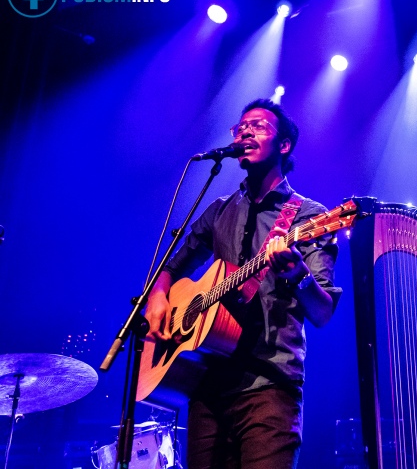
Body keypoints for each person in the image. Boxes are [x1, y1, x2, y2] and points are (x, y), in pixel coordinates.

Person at [145, 98, 342, 469]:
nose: (246, 131)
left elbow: (324, 311)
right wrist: (158, 295)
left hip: (268, 386)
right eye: (241, 127)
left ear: (284, 146)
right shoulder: (219, 208)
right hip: (206, 385)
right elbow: (173, 264)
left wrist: (298, 274)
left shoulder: (309, 216)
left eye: (258, 126)